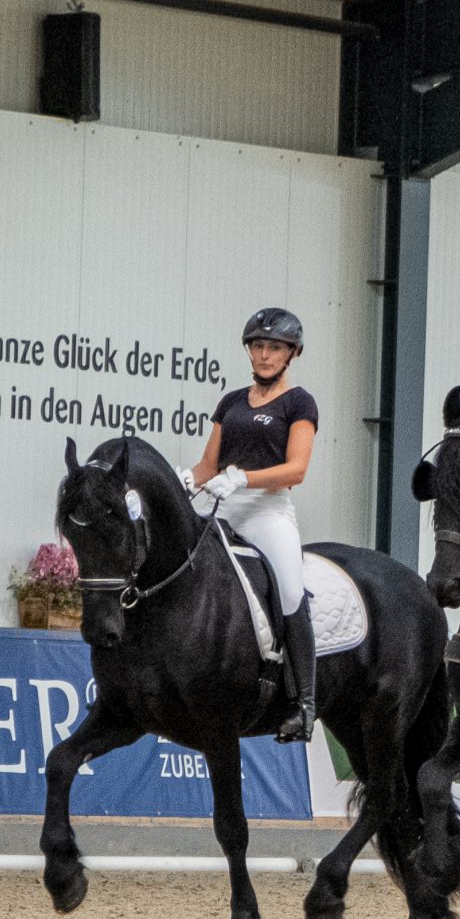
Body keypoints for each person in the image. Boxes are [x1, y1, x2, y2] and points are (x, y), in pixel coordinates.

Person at [186, 307, 319, 742]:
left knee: (290, 591)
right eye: (258, 346)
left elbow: (296, 469)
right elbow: (209, 464)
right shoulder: (231, 402)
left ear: (291, 353)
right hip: (223, 506)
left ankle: (304, 704)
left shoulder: (299, 403)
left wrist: (242, 477)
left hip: (267, 510)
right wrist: (184, 480)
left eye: (273, 348)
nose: (263, 355)